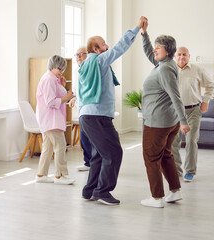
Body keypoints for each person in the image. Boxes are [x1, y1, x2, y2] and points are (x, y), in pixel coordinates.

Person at [78, 16, 147, 206]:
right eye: (103, 43)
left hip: (87, 115)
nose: (107, 45)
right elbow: (120, 47)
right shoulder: (99, 61)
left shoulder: (85, 65)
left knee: (100, 153)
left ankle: (90, 190)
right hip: (97, 116)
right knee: (114, 152)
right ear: (96, 49)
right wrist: (136, 28)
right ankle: (102, 191)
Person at [140, 19, 190, 208]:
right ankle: (175, 191)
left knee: (151, 157)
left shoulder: (165, 70)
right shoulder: (165, 64)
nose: (155, 50)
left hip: (158, 122)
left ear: (167, 51)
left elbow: (176, 97)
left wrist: (184, 121)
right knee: (165, 155)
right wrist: (145, 34)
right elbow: (148, 53)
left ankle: (156, 198)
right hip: (168, 121)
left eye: (158, 48)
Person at [172, 47, 214, 182]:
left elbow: (210, 85)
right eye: (179, 54)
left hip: (193, 110)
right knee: (173, 142)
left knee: (191, 140)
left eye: (184, 54)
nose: (181, 57)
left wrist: (206, 101)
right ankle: (175, 171)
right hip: (175, 112)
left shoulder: (197, 69)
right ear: (175, 56)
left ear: (189, 56)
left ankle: (190, 171)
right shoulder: (170, 70)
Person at [35, 55, 76, 185]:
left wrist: (63, 86)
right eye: (59, 68)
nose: (61, 72)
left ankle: (41, 174)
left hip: (51, 119)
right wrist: (67, 97)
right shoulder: (48, 80)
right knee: (61, 145)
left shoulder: (54, 79)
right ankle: (60, 176)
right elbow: (50, 102)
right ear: (52, 66)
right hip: (50, 119)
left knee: (48, 148)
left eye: (62, 69)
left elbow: (60, 95)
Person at [69, 47, 92, 171]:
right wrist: (73, 99)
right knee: (84, 137)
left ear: (87, 55)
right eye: (76, 54)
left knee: (90, 136)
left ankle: (94, 162)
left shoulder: (91, 68)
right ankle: (88, 162)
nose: (78, 57)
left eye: (81, 54)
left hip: (90, 107)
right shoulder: (76, 70)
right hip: (81, 107)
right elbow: (76, 88)